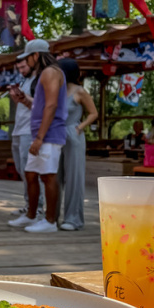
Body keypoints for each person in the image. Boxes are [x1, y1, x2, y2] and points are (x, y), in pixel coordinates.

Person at [8, 41, 67, 233]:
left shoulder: (50, 72)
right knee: (31, 173)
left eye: (28, 58)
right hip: (40, 133)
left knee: (48, 175)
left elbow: (51, 105)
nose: (26, 62)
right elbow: (41, 104)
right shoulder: (45, 74)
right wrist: (24, 100)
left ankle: (50, 221)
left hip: (49, 134)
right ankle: (31, 215)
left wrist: (40, 137)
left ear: (36, 55)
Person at [56, 58, 98, 232]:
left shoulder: (79, 91)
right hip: (56, 134)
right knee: (54, 176)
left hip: (73, 135)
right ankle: (52, 216)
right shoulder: (57, 90)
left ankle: (73, 219)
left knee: (74, 177)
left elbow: (93, 113)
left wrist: (80, 127)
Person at [9, 45, 45, 217]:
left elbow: (39, 105)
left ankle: (37, 206)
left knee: (30, 169)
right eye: (19, 68)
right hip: (18, 129)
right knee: (21, 169)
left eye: (23, 66)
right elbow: (25, 105)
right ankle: (29, 204)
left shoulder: (40, 80)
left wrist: (24, 98)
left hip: (29, 130)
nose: (21, 70)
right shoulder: (25, 81)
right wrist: (17, 98)